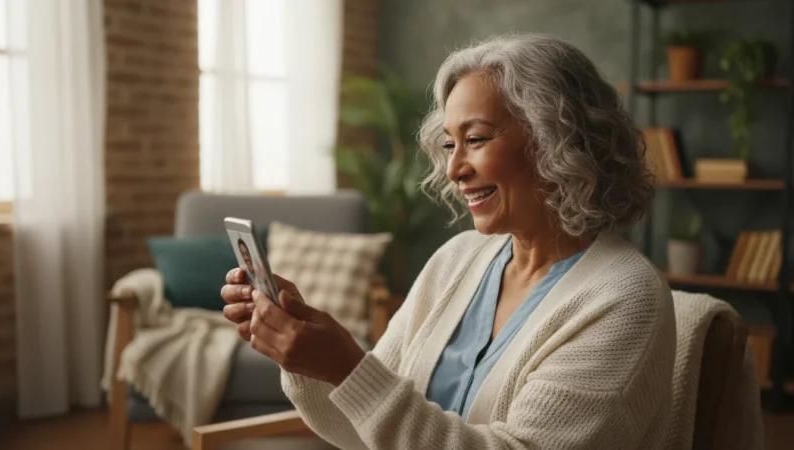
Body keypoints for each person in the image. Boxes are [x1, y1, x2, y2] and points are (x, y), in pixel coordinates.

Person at [221, 33, 675, 449]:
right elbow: (364, 431)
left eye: (475, 139)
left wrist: (346, 368)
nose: (455, 169)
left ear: (559, 139)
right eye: (448, 145)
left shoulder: (624, 297)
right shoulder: (457, 260)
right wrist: (304, 356)